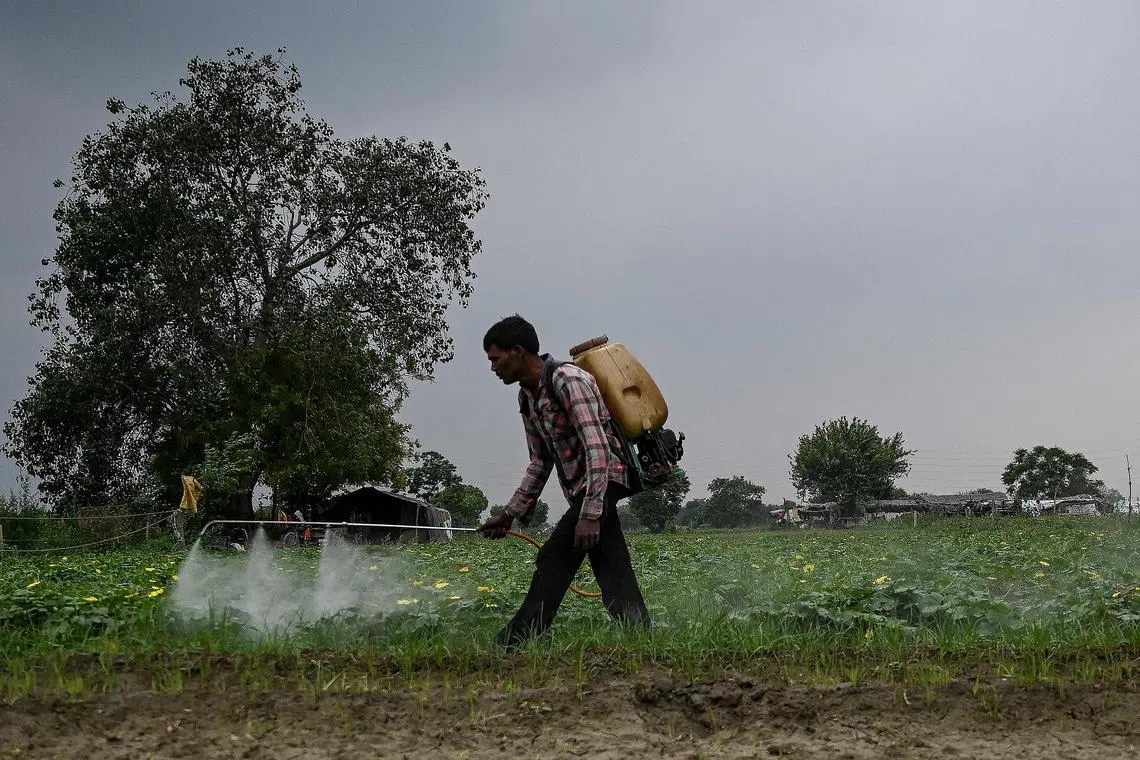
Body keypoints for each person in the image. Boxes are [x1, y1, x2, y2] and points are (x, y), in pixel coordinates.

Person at [478, 314, 651, 648]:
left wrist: (589, 513)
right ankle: (640, 635)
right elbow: (540, 461)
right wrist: (510, 513)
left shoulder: (569, 380)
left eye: (495, 359)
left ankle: (514, 642)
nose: (493, 368)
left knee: (554, 557)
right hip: (583, 489)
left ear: (517, 352)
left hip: (606, 478)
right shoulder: (526, 398)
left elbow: (597, 448)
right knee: (610, 564)